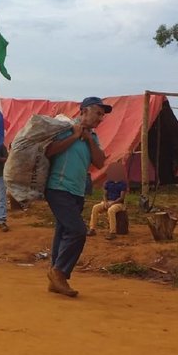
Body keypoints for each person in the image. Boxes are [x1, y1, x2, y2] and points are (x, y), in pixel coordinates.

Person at [44, 96, 110, 297]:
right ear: (84, 111)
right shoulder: (65, 127)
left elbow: (99, 163)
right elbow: (49, 151)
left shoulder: (94, 137)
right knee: (78, 231)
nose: (100, 118)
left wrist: (89, 139)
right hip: (58, 187)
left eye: (102, 115)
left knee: (63, 231)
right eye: (98, 113)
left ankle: (55, 278)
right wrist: (74, 136)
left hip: (77, 191)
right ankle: (59, 272)